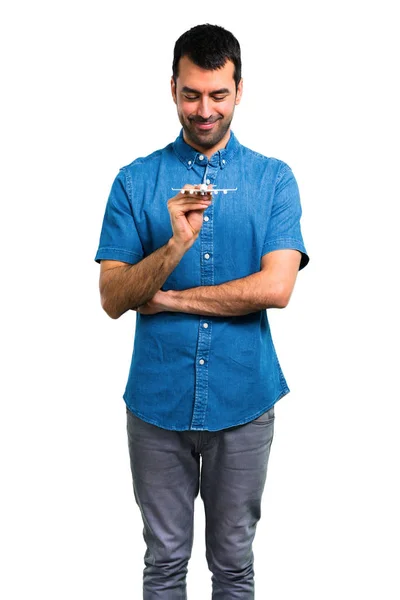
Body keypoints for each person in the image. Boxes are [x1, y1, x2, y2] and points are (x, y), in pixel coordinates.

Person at [95, 23, 309, 600]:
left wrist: (169, 299)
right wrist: (173, 249)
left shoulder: (273, 180)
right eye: (192, 94)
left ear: (240, 90)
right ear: (172, 89)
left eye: (218, 94)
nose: (205, 109)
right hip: (156, 405)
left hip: (244, 402)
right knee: (164, 563)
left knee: (234, 566)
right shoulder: (135, 182)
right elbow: (113, 297)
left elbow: (277, 287)